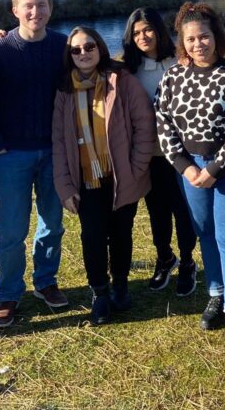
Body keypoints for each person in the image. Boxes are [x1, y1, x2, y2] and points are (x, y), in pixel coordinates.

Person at [155, 2, 225, 358]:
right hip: (190, 170)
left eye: (205, 37)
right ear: (182, 43)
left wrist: (214, 169)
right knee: (206, 233)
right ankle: (216, 294)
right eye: (192, 39)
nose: (199, 44)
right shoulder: (172, 77)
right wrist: (187, 167)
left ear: (217, 37)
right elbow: (164, 125)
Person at [0, 0, 69, 328]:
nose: (36, 12)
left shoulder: (63, 46)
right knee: (12, 229)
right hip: (12, 153)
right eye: (28, 6)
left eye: (42, 6)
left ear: (51, 9)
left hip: (53, 150)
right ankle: (9, 293)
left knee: (53, 222)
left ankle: (45, 282)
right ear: (15, 10)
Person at [52, 27, 156, 324]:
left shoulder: (121, 81)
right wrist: (65, 185)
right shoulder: (64, 90)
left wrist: (136, 169)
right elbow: (58, 141)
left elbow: (144, 126)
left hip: (122, 175)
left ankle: (120, 285)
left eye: (89, 47)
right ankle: (99, 292)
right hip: (86, 179)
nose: (83, 54)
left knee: (122, 232)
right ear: (69, 55)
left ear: (100, 48)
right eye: (76, 50)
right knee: (92, 236)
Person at [121, 8, 198, 296]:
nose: (143, 37)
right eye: (137, 32)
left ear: (159, 31)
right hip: (149, 153)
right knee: (157, 210)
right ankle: (164, 256)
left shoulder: (180, 63)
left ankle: (189, 260)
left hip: (181, 152)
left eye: (148, 30)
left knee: (184, 209)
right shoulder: (128, 70)